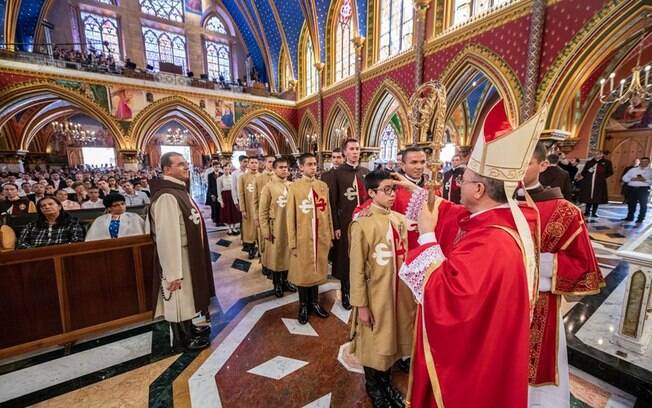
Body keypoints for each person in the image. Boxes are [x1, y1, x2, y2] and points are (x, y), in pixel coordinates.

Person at [398, 100, 546, 407]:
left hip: (473, 362)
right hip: (491, 344)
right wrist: (423, 197)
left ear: (479, 190)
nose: (459, 186)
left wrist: (426, 235)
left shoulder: (492, 243)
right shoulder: (503, 221)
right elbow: (458, 217)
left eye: (463, 181)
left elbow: (447, 295)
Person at [522, 142, 603, 407]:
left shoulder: (566, 212)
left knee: (535, 366)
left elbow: (583, 266)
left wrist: (536, 266)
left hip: (541, 302)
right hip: (500, 299)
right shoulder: (498, 203)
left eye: (526, 163)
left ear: (543, 165)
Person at [349, 170, 413, 408]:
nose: (392, 194)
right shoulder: (362, 224)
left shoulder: (397, 220)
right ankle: (374, 387)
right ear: (372, 193)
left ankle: (386, 383)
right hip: (375, 296)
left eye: (394, 189)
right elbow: (355, 270)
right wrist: (361, 305)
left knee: (390, 342)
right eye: (386, 190)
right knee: (373, 345)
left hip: (397, 295)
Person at [147, 152, 214, 351]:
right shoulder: (167, 196)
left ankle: (190, 328)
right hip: (177, 256)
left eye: (186, 164)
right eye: (180, 164)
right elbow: (167, 238)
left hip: (187, 253)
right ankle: (181, 339)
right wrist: (172, 273)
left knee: (187, 298)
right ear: (167, 169)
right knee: (178, 297)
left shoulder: (178, 190)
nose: (186, 167)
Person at [287, 153, 334, 324]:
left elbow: (327, 212)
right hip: (303, 237)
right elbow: (290, 216)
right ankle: (303, 305)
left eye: (315, 164)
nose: (313, 167)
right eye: (309, 164)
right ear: (301, 167)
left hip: (320, 236)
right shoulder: (294, 187)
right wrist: (292, 241)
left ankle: (315, 302)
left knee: (317, 271)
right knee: (303, 273)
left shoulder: (322, 186)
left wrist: (328, 235)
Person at [326, 138, 369, 310]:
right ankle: (345, 291)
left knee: (364, 255)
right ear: (344, 152)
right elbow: (333, 202)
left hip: (365, 222)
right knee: (345, 258)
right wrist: (335, 226)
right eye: (351, 149)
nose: (355, 152)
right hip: (345, 223)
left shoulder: (365, 172)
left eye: (357, 148)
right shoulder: (336, 174)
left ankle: (362, 288)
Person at [258, 158, 296, 297]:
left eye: (286, 167)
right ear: (274, 169)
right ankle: (277, 284)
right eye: (281, 167)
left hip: (290, 228)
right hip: (276, 227)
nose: (284, 169)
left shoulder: (292, 185)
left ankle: (286, 281)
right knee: (276, 257)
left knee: (288, 256)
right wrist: (265, 230)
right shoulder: (268, 187)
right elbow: (262, 211)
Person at [17, 197, 85, 248]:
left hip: (63, 255)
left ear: (59, 207)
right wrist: (36, 252)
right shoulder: (31, 225)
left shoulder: (72, 222)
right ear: (40, 210)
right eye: (43, 206)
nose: (47, 207)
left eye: (50, 204)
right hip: (36, 257)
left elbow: (76, 242)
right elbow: (22, 243)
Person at [577, 150, 613, 218]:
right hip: (589, 182)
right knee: (588, 197)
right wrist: (582, 176)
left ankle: (594, 212)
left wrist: (602, 176)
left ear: (601, 154)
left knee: (597, 197)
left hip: (599, 183)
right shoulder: (589, 162)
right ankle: (587, 211)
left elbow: (610, 172)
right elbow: (584, 172)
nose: (596, 155)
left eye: (598, 154)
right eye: (595, 154)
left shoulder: (607, 162)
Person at [238, 156, 259, 259]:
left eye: (256, 162)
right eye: (252, 162)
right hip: (248, 208)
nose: (254, 164)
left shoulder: (262, 176)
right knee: (249, 230)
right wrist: (243, 209)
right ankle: (251, 249)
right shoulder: (242, 177)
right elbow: (241, 194)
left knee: (259, 229)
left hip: (259, 208)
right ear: (248, 164)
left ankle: (260, 249)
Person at [622, 157, 652, 224]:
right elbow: (624, 178)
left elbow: (651, 181)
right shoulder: (633, 170)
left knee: (643, 205)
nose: (643, 162)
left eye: (645, 161)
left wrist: (644, 180)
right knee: (631, 204)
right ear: (640, 162)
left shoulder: (650, 171)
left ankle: (640, 219)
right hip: (632, 189)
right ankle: (630, 217)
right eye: (642, 161)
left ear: (648, 162)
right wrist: (631, 179)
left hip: (643, 190)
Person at [217, 163, 241, 235]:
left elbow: (236, 188)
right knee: (227, 212)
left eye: (228, 169)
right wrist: (221, 201)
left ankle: (234, 227)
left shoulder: (232, 177)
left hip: (232, 195)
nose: (226, 171)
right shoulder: (219, 179)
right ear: (222, 170)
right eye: (225, 169)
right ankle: (229, 228)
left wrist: (237, 198)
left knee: (234, 212)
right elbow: (219, 190)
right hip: (225, 196)